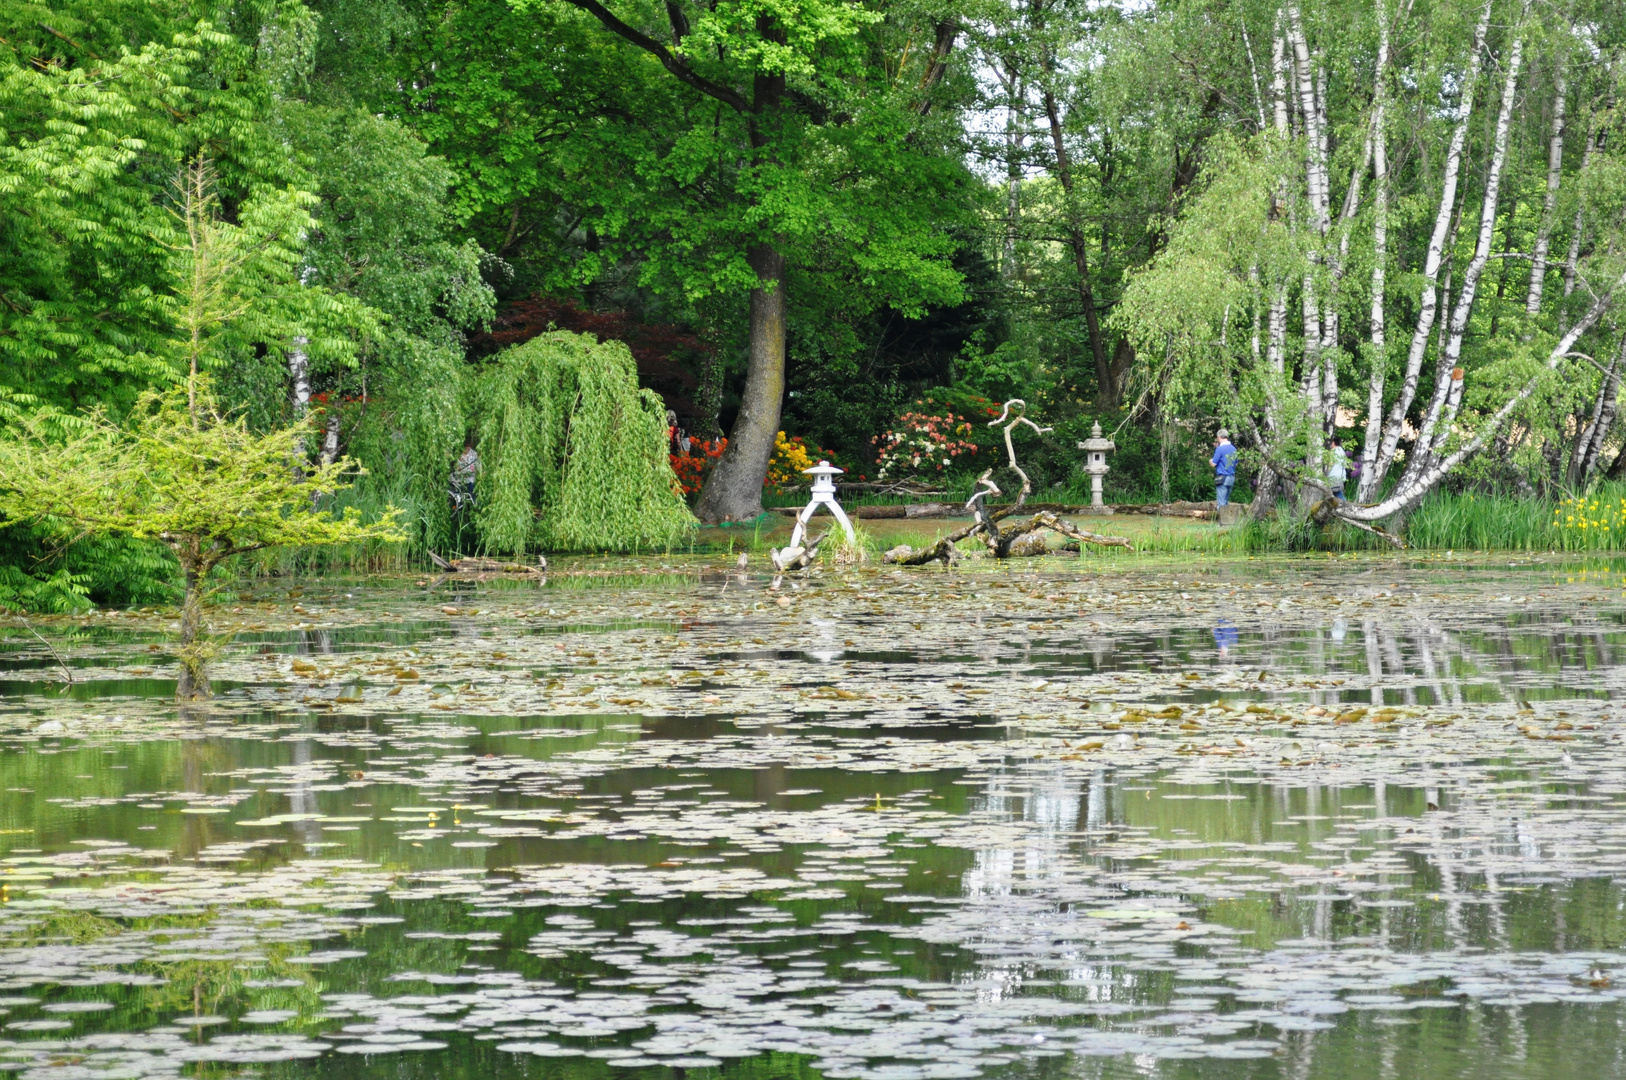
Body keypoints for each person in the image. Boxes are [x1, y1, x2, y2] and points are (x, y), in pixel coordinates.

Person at [1209, 430, 1237, 507]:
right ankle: (1227, 518)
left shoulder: (1220, 449)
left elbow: (1213, 464)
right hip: (1231, 477)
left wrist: (1210, 460)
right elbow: (1236, 463)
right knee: (1225, 501)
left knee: (1221, 504)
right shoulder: (1234, 449)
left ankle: (1221, 518)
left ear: (1219, 437)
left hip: (1222, 478)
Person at [1327, 437, 1349, 502]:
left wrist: (1326, 472)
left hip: (1334, 475)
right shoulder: (1342, 451)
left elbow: (1331, 463)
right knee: (1336, 494)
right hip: (1341, 475)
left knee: (1337, 494)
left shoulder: (1334, 451)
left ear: (1333, 442)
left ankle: (1347, 507)